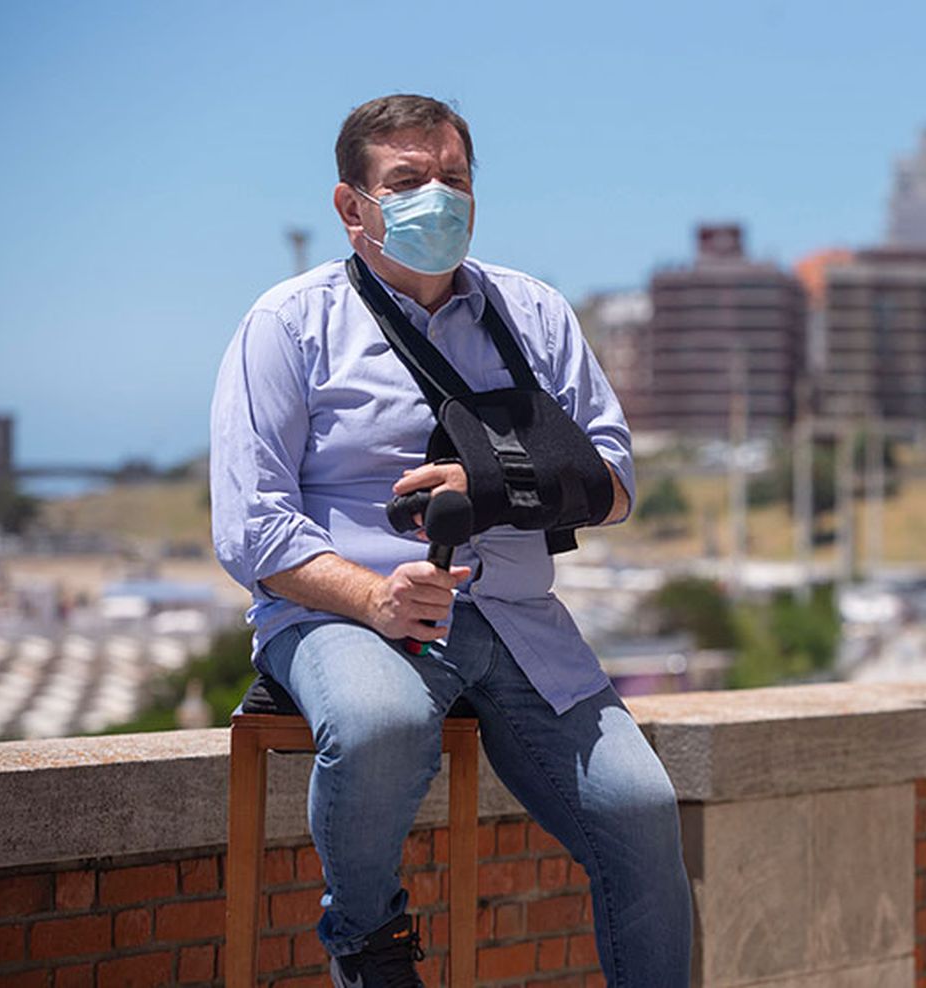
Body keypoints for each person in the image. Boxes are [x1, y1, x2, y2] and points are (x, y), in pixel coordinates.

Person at [211, 94, 692, 988]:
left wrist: (489, 484)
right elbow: (252, 527)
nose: (438, 196)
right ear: (353, 206)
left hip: (517, 618)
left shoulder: (535, 315)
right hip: (343, 617)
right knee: (381, 719)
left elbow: (614, 483)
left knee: (643, 811)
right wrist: (373, 597)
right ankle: (367, 937)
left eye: (454, 178)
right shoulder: (287, 325)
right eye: (408, 180)